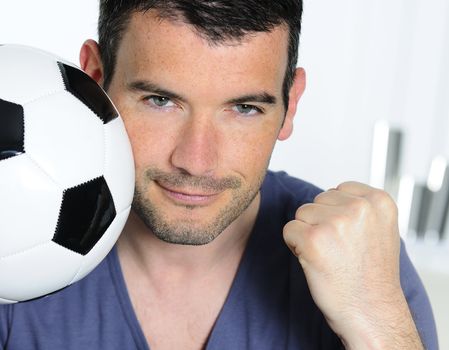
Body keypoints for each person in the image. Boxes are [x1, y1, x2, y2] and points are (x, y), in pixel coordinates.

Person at [0, 1, 438, 349]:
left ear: (292, 104)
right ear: (94, 79)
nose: (196, 160)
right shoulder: (11, 251)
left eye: (244, 109)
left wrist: (378, 325)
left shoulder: (364, 260)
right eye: (160, 100)